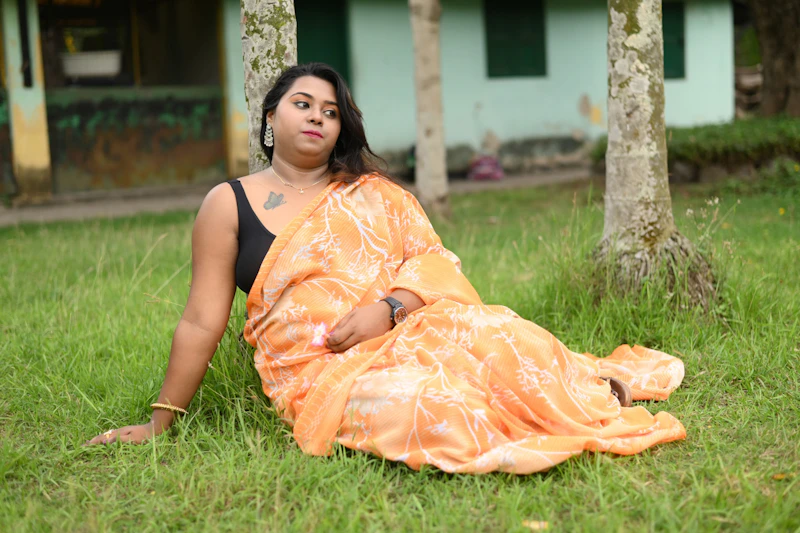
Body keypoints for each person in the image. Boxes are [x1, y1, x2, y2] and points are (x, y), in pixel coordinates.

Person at [87, 63, 686, 474]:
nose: (317, 117)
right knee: (435, 409)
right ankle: (539, 415)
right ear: (269, 117)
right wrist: (161, 422)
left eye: (330, 111)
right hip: (319, 369)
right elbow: (201, 320)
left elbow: (434, 261)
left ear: (341, 128)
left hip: (414, 329)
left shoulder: (372, 192)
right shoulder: (228, 203)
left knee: (504, 336)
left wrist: (389, 309)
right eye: (302, 104)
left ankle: (586, 392)